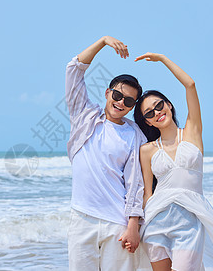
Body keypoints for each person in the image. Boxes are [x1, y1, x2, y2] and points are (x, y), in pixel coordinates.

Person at [130, 52, 213, 270]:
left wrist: (163, 59)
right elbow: (147, 193)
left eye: (159, 105)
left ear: (169, 105)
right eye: (149, 113)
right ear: (147, 123)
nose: (157, 113)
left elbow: (190, 84)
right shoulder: (147, 150)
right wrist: (134, 226)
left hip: (190, 222)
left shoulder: (192, 132)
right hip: (156, 220)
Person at [65, 36, 147, 271]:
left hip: (117, 224)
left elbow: (135, 183)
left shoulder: (134, 134)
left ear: (133, 107)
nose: (121, 103)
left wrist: (133, 225)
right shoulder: (84, 116)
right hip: (82, 218)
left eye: (129, 101)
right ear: (107, 93)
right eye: (118, 95)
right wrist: (102, 42)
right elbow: (74, 70)